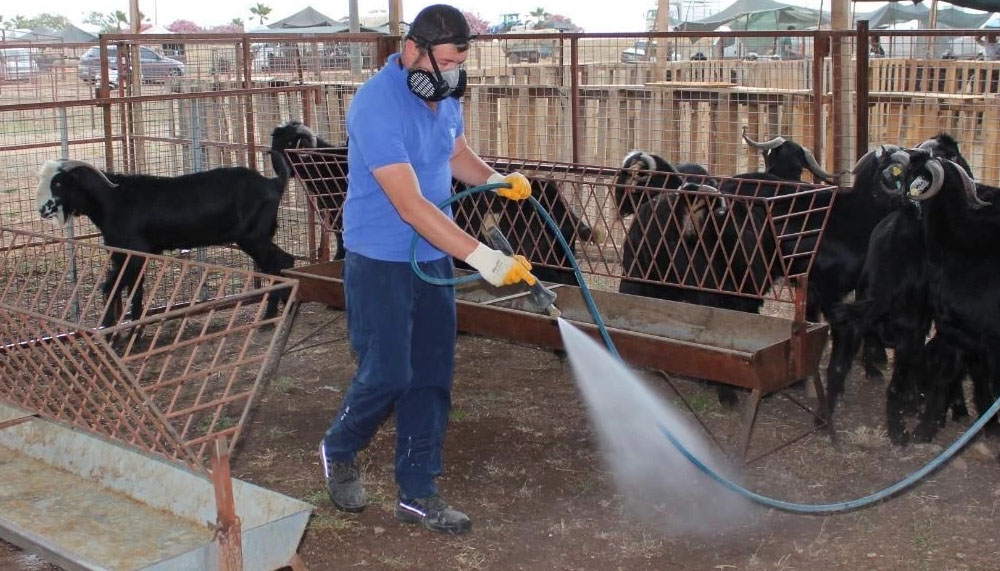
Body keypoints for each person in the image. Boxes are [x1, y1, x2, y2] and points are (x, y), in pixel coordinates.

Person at [318, 4, 536, 535]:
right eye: (445, 62)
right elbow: (411, 205)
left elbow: (454, 152)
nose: (453, 75)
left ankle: (417, 492)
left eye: (460, 64)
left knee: (432, 376)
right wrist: (484, 258)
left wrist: (496, 177)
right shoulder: (376, 105)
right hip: (381, 259)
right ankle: (340, 447)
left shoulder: (441, 92)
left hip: (433, 256)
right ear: (413, 50)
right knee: (389, 372)